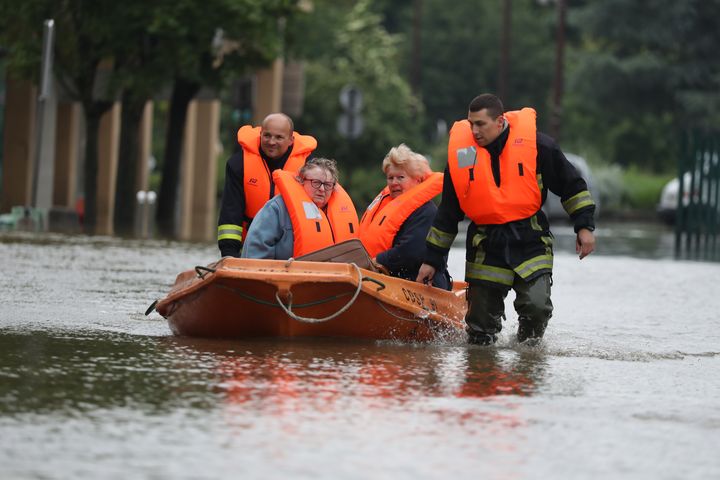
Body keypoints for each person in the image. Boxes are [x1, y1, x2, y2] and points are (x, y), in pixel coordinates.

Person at [416, 93, 596, 345]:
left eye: (481, 124)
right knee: (480, 329)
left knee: (536, 309)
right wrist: (432, 259)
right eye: (471, 124)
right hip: (485, 244)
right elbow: (448, 212)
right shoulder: (462, 156)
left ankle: (525, 364)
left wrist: (584, 227)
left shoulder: (538, 147)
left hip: (530, 238)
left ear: (500, 121)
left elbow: (572, 185)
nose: (474, 131)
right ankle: (482, 376)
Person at [217, 113, 317, 258]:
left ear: (291, 140)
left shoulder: (310, 168)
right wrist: (229, 255)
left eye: (279, 137)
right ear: (260, 134)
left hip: (294, 247)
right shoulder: (239, 164)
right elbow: (231, 212)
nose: (271, 141)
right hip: (251, 245)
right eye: (267, 135)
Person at [359, 144, 451, 290]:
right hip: (386, 280)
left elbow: (412, 252)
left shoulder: (427, 212)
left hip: (422, 286)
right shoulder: (387, 206)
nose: (394, 183)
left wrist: (377, 261)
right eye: (390, 178)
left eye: (400, 177)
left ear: (417, 180)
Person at [241, 157, 359, 260]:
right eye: (316, 182)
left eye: (328, 185)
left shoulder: (339, 215)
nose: (322, 189)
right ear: (301, 181)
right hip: (285, 281)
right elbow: (255, 252)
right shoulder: (277, 209)